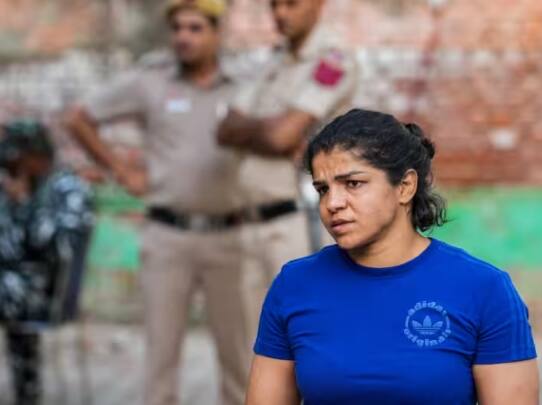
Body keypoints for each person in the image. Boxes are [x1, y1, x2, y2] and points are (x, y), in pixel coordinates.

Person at [245, 109, 539, 405]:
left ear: (405, 186)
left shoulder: (484, 289)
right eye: (323, 189)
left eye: (353, 183)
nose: (332, 203)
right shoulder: (295, 285)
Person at [64, 1, 253, 404]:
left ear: (217, 33)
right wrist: (120, 169)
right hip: (167, 236)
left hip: (230, 237)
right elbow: (79, 118)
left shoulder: (244, 85)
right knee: (160, 360)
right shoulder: (150, 82)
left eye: (196, 28)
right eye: (178, 28)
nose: (184, 36)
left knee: (240, 358)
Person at [217, 0, 358, 349]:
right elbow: (224, 128)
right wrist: (270, 131)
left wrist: (267, 132)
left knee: (306, 345)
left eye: (291, 3)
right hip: (249, 225)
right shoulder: (273, 62)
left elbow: (282, 135)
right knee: (256, 354)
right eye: (274, 4)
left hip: (297, 225)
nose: (280, 13)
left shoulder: (332, 61)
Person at [0, 119, 94, 405]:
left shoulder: (69, 188)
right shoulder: (10, 181)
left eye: (19, 158)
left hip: (44, 291)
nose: (11, 164)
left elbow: (59, 249)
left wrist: (25, 204)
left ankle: (28, 395)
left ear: (37, 156)